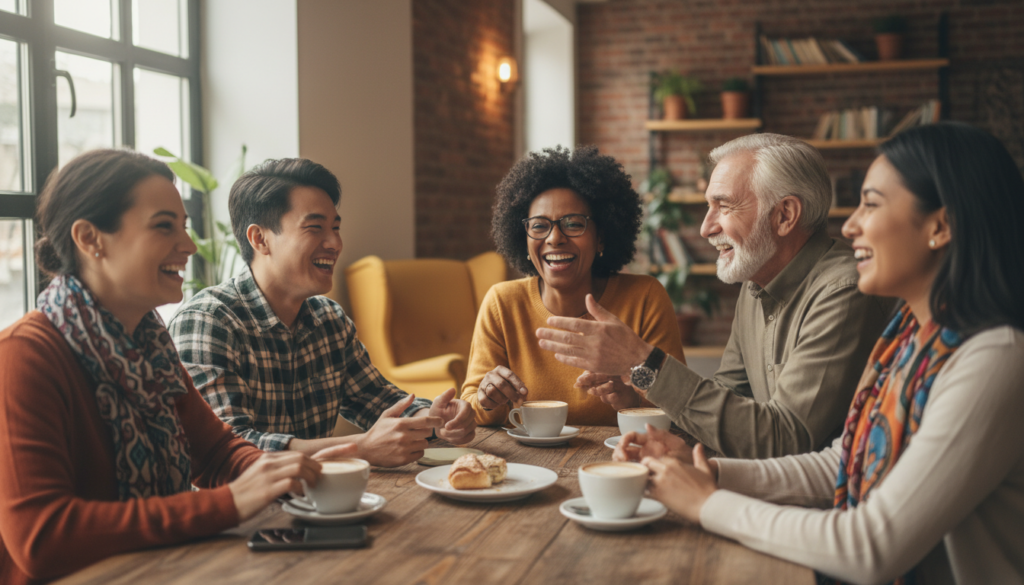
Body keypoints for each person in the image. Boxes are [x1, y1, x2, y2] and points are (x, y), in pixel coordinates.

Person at [617, 123, 1024, 584]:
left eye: (871, 204)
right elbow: (842, 461)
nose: (850, 225)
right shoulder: (912, 338)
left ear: (940, 226)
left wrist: (706, 502)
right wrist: (704, 471)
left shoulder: (993, 358)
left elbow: (870, 547)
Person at [0, 150, 352, 585]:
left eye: (184, 227)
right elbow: (41, 539)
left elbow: (215, 453)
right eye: (164, 226)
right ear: (90, 239)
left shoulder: (148, 341)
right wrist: (230, 503)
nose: (187, 246)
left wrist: (279, 471)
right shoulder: (24, 355)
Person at [537, 134, 895, 457]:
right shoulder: (756, 285)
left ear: (785, 215)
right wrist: (636, 395)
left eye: (723, 206)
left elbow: (785, 438)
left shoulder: (844, 291)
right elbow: (729, 401)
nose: (706, 227)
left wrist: (641, 361)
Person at [169, 158, 476, 467]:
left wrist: (435, 418)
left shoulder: (329, 319)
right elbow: (229, 447)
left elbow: (377, 399)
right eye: (315, 228)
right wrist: (359, 447)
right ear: (260, 239)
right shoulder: (208, 321)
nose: (335, 243)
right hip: (241, 511)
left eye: (336, 228)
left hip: (322, 502)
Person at [460, 145, 685, 427]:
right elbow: (471, 404)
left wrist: (631, 401)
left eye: (573, 224)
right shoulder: (503, 303)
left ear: (601, 237)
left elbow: (680, 408)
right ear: (524, 241)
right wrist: (487, 398)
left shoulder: (644, 298)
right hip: (527, 466)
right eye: (540, 226)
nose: (555, 238)